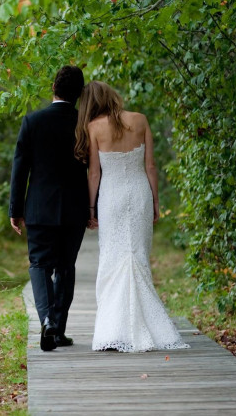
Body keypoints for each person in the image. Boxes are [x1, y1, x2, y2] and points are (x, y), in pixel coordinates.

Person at [74, 81, 188, 352]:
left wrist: (90, 210)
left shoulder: (93, 127)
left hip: (111, 199)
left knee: (113, 259)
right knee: (137, 257)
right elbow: (150, 166)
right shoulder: (140, 120)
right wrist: (156, 201)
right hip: (139, 195)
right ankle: (144, 325)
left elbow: (94, 174)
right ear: (112, 96)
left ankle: (113, 330)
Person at [9, 66, 89, 351]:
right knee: (65, 268)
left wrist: (14, 210)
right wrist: (92, 208)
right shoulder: (85, 124)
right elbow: (95, 172)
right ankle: (57, 329)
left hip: (40, 209)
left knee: (40, 264)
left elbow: (20, 169)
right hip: (75, 209)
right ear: (80, 93)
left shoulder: (33, 121)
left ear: (53, 86)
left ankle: (47, 321)